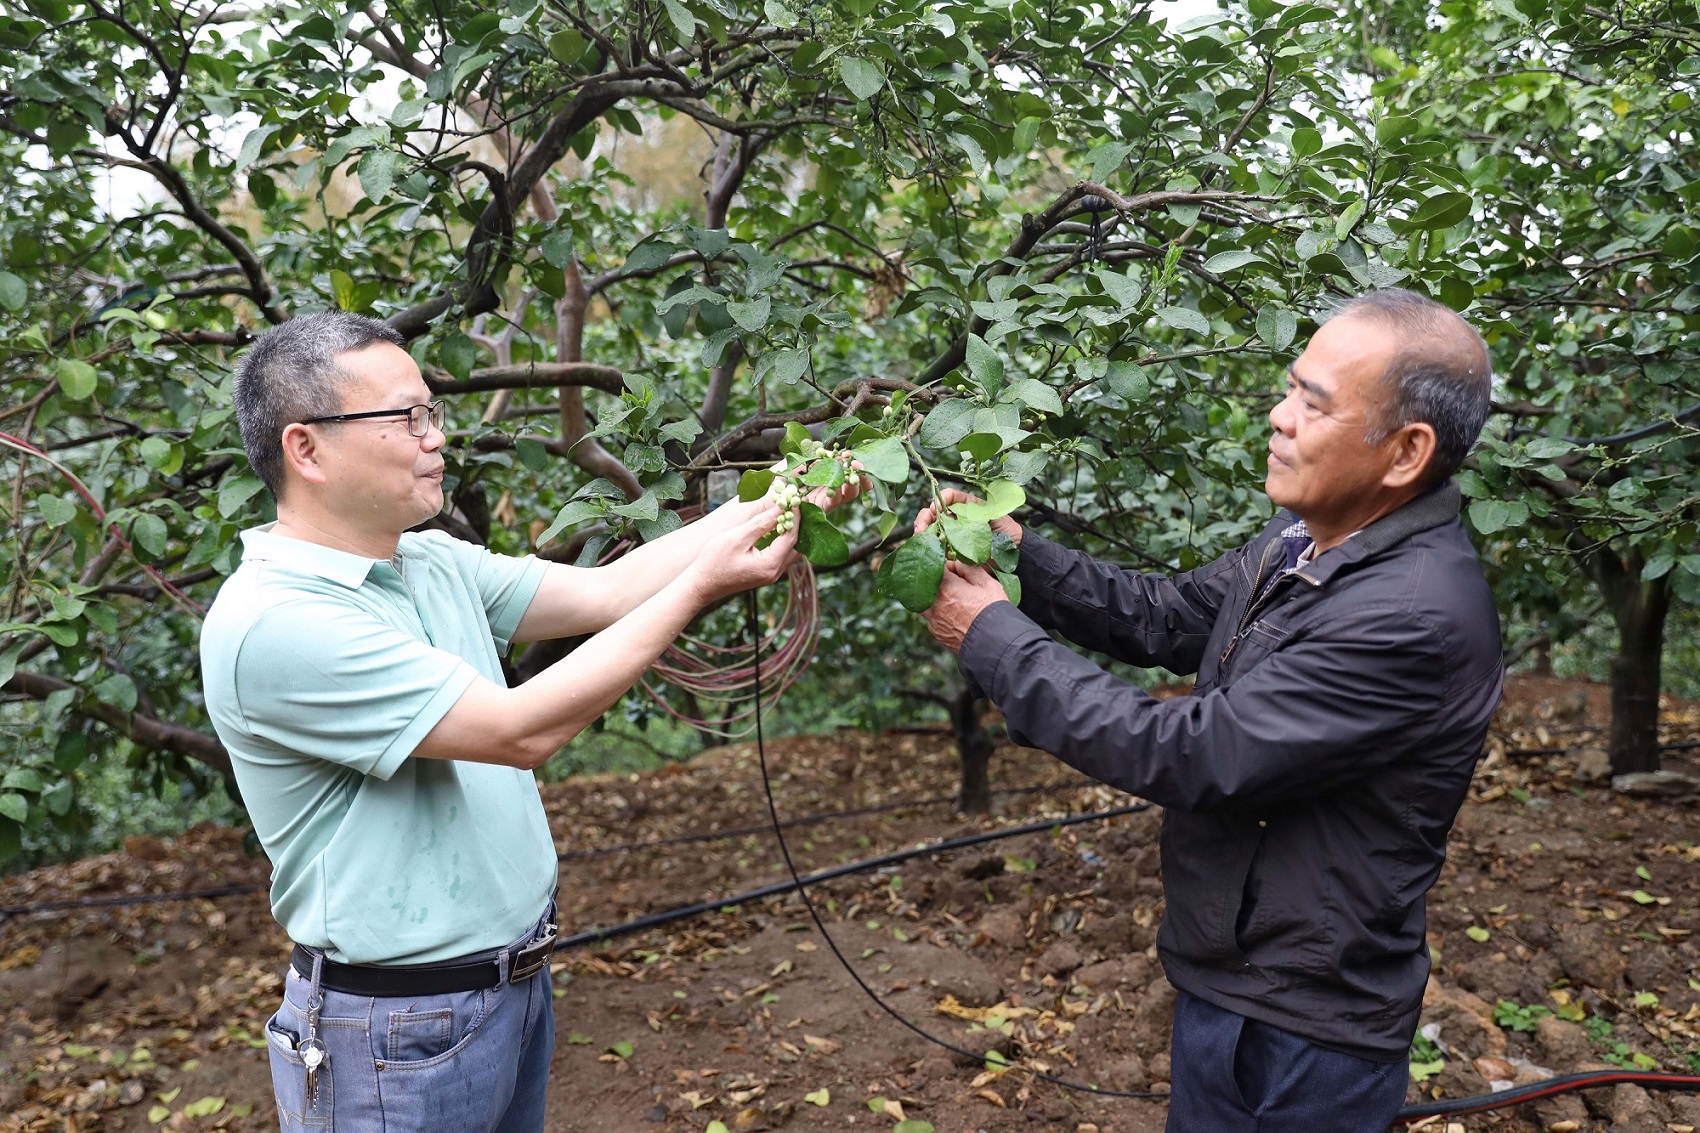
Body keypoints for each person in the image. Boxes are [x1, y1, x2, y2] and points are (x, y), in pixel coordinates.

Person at [200, 311, 826, 1133]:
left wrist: (779, 496)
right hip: (394, 1033)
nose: (436, 437)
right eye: (406, 418)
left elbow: (606, 592)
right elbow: (518, 728)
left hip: (510, 989)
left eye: (432, 412)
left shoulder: (424, 559)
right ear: (306, 449)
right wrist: (703, 585)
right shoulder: (277, 621)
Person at [917, 288, 1502, 1131]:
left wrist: (990, 638)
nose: (1279, 416)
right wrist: (1023, 558)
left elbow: (1193, 753)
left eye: (1313, 404)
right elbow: (1166, 614)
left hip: (1305, 1025)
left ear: (1407, 452)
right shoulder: (1306, 540)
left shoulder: (1409, 616)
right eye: (1290, 387)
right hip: (1238, 976)